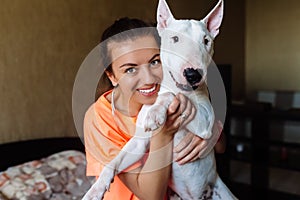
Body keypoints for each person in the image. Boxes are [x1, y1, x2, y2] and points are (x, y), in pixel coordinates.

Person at [84, 17, 225, 200]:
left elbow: (221, 146)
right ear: (112, 76)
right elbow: (152, 196)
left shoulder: (177, 88)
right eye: (130, 69)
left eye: (155, 62)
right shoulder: (100, 119)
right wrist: (163, 133)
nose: (148, 79)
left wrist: (211, 133)